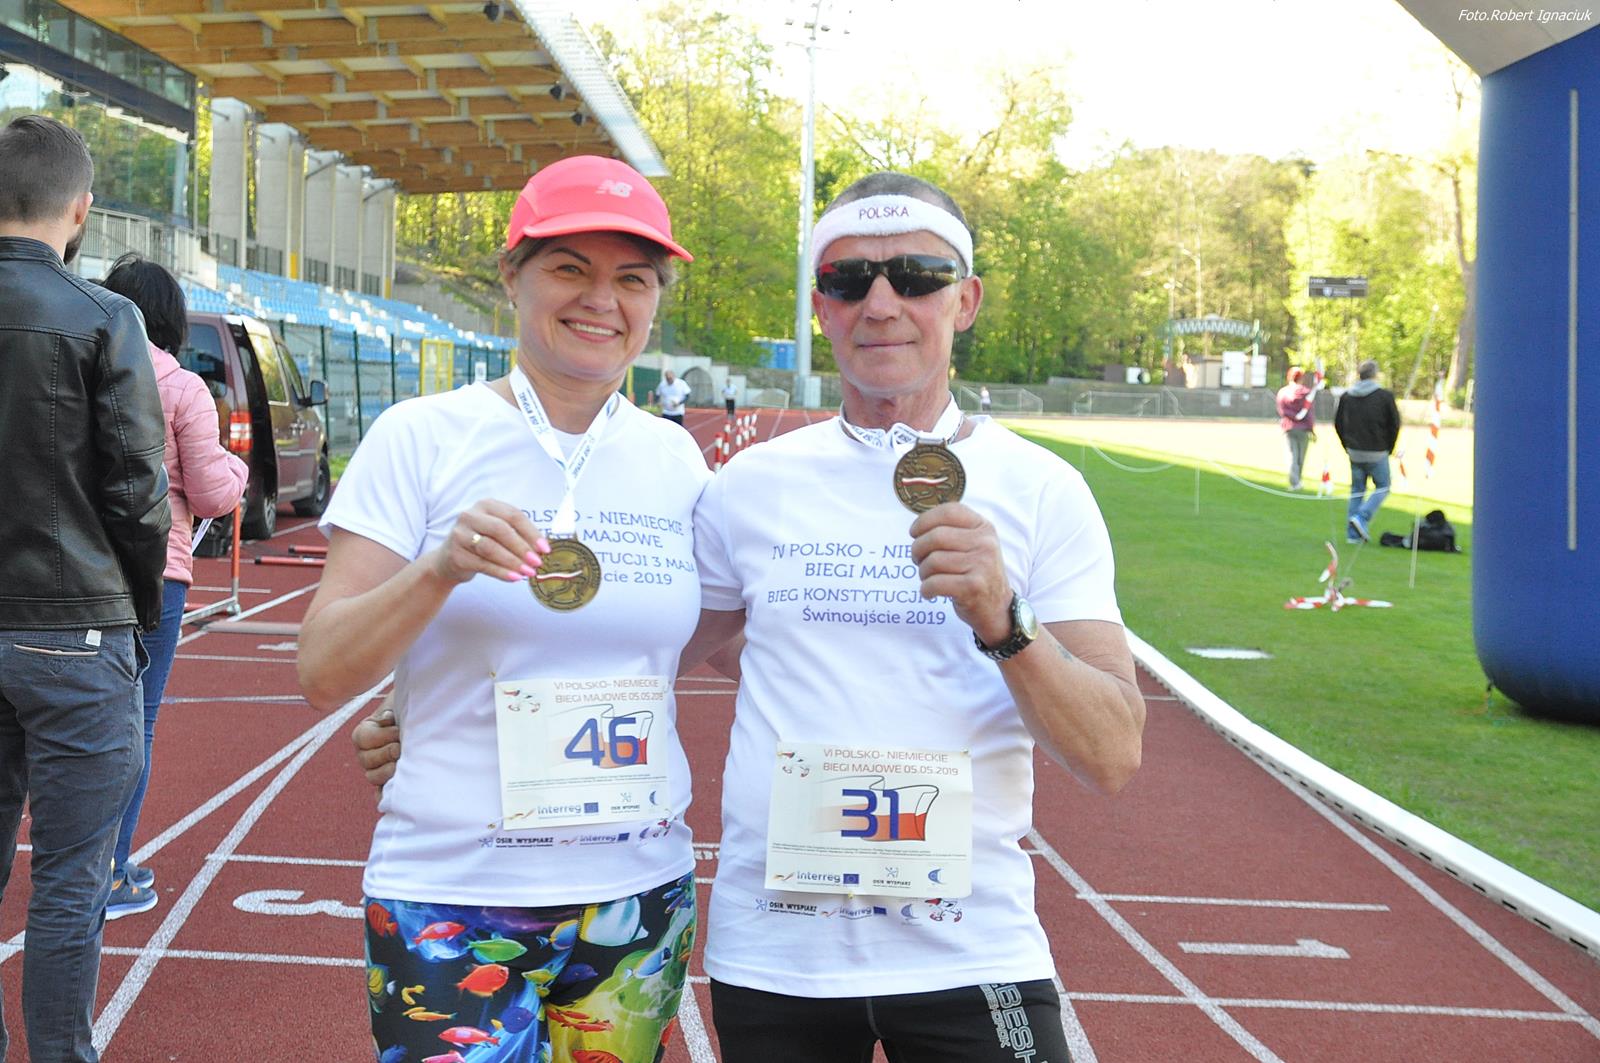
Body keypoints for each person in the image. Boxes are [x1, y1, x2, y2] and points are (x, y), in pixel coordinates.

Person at [357, 170, 1145, 1062]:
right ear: (820, 307)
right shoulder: (745, 487)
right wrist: (424, 712)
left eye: (917, 276)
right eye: (850, 279)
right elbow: (635, 650)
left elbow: (1113, 752)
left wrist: (1006, 620)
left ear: (965, 301)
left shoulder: (1044, 490)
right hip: (777, 959)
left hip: (971, 946)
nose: (882, 303)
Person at [297, 155, 704, 1063]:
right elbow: (321, 669)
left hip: (638, 891)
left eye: (633, 278)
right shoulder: (421, 436)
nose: (601, 299)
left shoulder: (678, 461)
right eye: (570, 267)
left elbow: (733, 643)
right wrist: (439, 570)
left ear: (654, 301)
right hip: (453, 890)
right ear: (511, 275)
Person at [0, 114, 171, 1063]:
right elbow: (138, 492)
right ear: (81, 209)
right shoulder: (105, 317)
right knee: (70, 881)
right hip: (75, 629)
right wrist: (136, 610)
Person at [98, 254, 249, 920]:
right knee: (137, 721)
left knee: (74, 719)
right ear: (171, 320)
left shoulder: (81, 368)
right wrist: (238, 475)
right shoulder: (184, 388)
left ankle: (78, 861)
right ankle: (110, 868)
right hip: (155, 570)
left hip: (78, 568)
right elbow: (213, 492)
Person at [1334, 358, 1401, 543]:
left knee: (1357, 490)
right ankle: (1362, 517)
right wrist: (1389, 447)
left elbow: (1338, 423)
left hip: (1354, 451)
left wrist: (1346, 445)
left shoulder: (1347, 396)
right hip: (1377, 451)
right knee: (1383, 486)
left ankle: (1353, 535)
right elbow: (1394, 423)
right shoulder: (1384, 396)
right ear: (1375, 374)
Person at [1275, 366, 1315, 490]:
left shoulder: (1283, 392)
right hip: (1303, 428)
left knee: (1292, 455)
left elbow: (1281, 411)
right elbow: (1309, 413)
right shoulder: (1306, 393)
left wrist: (1292, 417)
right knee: (1300, 457)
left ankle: (1295, 481)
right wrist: (1311, 428)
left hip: (1289, 427)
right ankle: (1297, 480)